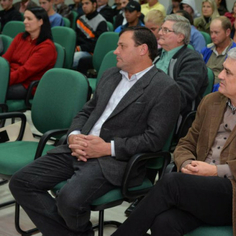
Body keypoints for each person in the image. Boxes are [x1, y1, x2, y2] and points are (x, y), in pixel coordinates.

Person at [9, 26, 181, 236]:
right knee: (21, 182)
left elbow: (153, 139)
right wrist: (74, 136)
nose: (115, 51)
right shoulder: (111, 75)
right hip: (79, 147)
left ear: (142, 50)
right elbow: (86, 111)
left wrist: (107, 148)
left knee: (69, 199)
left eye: (121, 46)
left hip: (115, 161)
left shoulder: (164, 88)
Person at [110, 46, 236, 236]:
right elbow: (186, 143)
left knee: (172, 183)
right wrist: (188, 163)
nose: (220, 75)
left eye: (228, 72)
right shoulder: (211, 102)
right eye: (222, 69)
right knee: (163, 222)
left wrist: (216, 171)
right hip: (199, 189)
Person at [155, 14, 208, 115]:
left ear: (180, 37)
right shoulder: (155, 55)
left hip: (169, 114)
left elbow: (180, 97)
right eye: (161, 29)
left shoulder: (193, 61)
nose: (160, 33)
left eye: (166, 30)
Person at [3, 7, 57, 100]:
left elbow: (24, 72)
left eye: (29, 19)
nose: (24, 21)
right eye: (24, 18)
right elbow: (5, 59)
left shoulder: (47, 47)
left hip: (26, 85)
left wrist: (3, 79)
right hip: (11, 77)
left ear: (40, 22)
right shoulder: (20, 37)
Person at [201, 16, 236, 83]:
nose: (212, 36)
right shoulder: (206, 50)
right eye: (211, 32)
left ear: (227, 32)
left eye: (216, 32)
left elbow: (230, 82)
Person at [73, 0, 107, 69]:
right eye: (82, 4)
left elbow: (97, 45)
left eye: (87, 3)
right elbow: (75, 37)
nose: (84, 6)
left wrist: (80, 48)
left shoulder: (101, 22)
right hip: (78, 49)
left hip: (90, 52)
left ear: (94, 4)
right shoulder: (80, 18)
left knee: (73, 58)